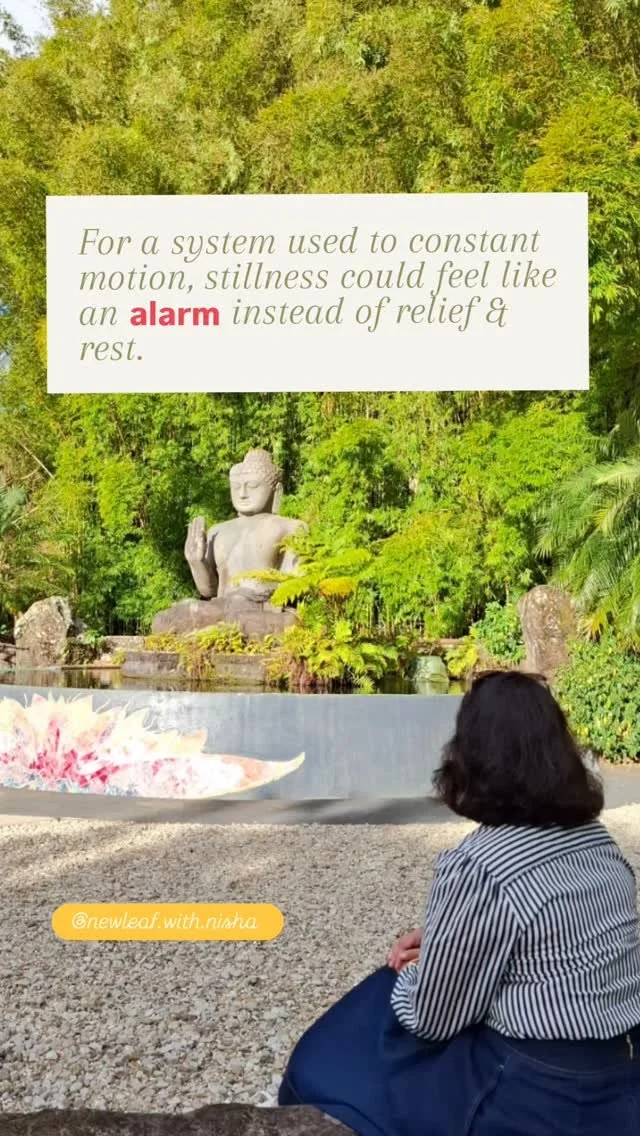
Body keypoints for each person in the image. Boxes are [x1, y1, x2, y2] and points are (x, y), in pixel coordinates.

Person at [278, 670, 640, 1135]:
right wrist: (442, 940)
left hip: (541, 1095)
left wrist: (419, 970)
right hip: (620, 1080)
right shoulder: (597, 842)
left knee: (355, 1029)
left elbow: (433, 1017)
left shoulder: (480, 865)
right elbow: (554, 940)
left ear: (472, 756)